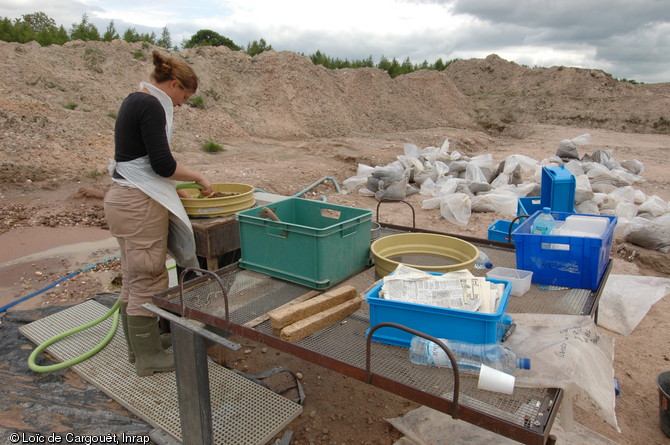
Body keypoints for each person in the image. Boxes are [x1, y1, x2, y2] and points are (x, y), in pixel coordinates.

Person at [103, 50, 212, 377]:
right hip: (138, 205)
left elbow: (140, 160)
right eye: (183, 97)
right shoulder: (151, 105)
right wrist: (197, 177)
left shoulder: (134, 99)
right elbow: (162, 165)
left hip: (123, 198)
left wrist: (170, 188)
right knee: (149, 277)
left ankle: (140, 348)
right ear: (174, 84)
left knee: (134, 278)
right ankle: (150, 358)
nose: (180, 105)